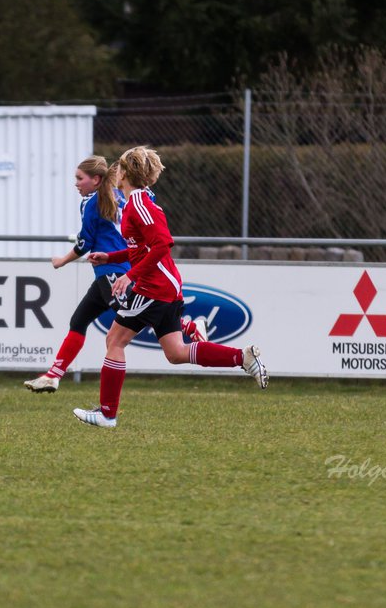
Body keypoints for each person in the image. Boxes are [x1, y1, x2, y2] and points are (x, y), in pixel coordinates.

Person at [75, 146, 267, 428]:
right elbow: (142, 248)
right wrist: (111, 257)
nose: (115, 171)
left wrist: (130, 276)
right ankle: (243, 357)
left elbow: (163, 243)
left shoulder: (138, 202)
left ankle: (107, 414)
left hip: (155, 287)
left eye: (119, 167)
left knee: (114, 341)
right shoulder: (137, 201)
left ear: (126, 173)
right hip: (164, 286)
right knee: (176, 353)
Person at [24, 156, 206, 394]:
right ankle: (53, 376)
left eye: (80, 178)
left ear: (96, 179)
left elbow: (84, 243)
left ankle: (188, 326)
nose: (76, 184)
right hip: (113, 269)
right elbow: (148, 196)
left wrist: (62, 261)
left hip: (114, 273)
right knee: (79, 320)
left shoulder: (91, 202)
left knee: (135, 319)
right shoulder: (121, 195)